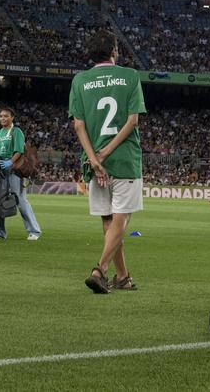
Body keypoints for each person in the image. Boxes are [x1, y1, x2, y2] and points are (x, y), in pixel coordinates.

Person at [70, 30, 146, 294]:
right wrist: (106, 153)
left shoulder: (80, 81)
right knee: (121, 219)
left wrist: (95, 159)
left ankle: (123, 276)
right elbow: (132, 120)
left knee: (108, 220)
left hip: (93, 164)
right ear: (114, 50)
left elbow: (78, 124)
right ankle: (100, 269)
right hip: (124, 159)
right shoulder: (130, 76)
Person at [0, 107, 42, 241]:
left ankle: (34, 230)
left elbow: (19, 150)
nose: (3, 118)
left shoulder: (16, 131)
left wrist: (10, 162)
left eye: (6, 116)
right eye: (1, 116)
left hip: (14, 169)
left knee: (20, 199)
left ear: (12, 118)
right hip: (0, 169)